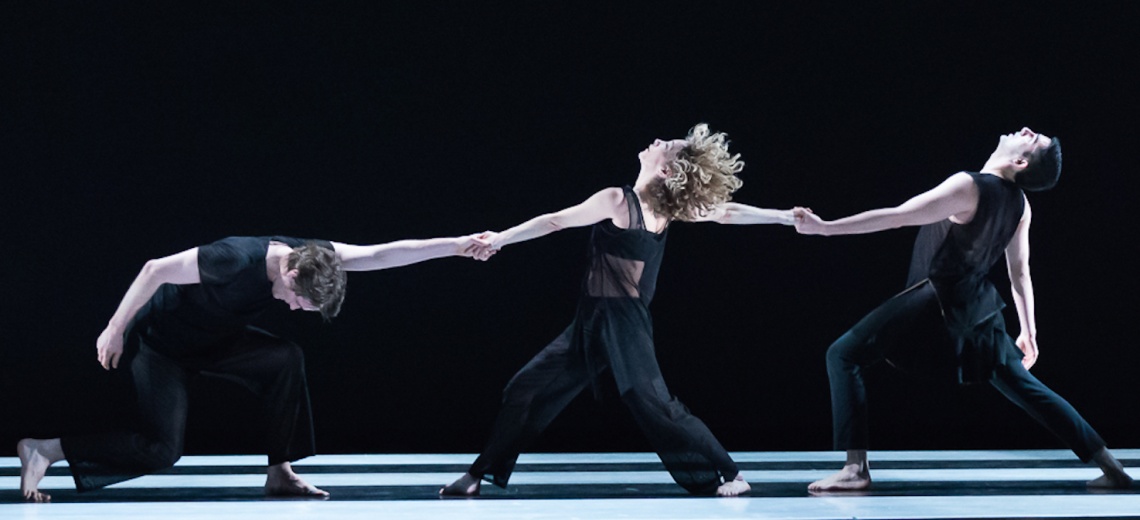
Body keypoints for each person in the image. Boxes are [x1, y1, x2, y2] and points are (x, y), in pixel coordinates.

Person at [440, 123, 794, 498]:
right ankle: (477, 474)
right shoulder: (637, 204)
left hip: (626, 324)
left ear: (666, 171)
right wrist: (502, 239)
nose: (657, 140)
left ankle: (731, 473)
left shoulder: (629, 202)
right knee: (525, 388)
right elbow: (556, 221)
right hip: (591, 323)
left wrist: (783, 217)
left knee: (654, 402)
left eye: (667, 145)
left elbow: (724, 212)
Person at [18, 233, 490, 502]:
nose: (300, 309)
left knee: (286, 357)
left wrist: (457, 246)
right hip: (162, 344)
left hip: (216, 340)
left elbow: (384, 253)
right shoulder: (233, 258)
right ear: (289, 274)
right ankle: (46, 450)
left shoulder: (316, 255)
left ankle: (279, 472)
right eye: (302, 302)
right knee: (162, 450)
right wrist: (115, 328)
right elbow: (153, 269)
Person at [794, 127, 1132, 491]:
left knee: (843, 355)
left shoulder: (968, 186)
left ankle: (855, 470)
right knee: (1025, 386)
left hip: (934, 299)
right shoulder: (1020, 204)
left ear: (1020, 162)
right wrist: (1028, 330)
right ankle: (1112, 468)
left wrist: (825, 228)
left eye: (1034, 140)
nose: (1027, 130)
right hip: (977, 307)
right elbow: (1019, 272)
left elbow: (899, 216)